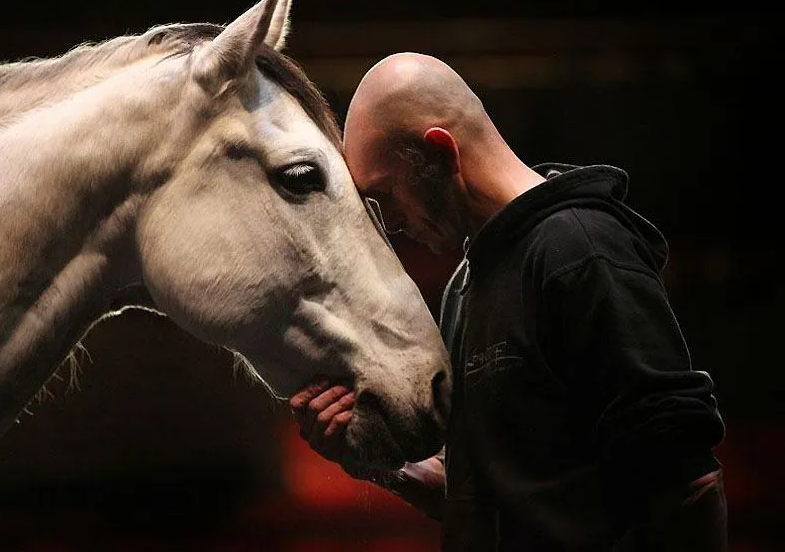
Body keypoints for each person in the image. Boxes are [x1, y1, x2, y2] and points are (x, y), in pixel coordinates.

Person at [289, 52, 728, 551]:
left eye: (388, 195)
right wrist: (367, 455)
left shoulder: (579, 250)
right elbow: (475, 498)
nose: (391, 224)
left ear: (440, 153)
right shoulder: (465, 284)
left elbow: (688, 486)